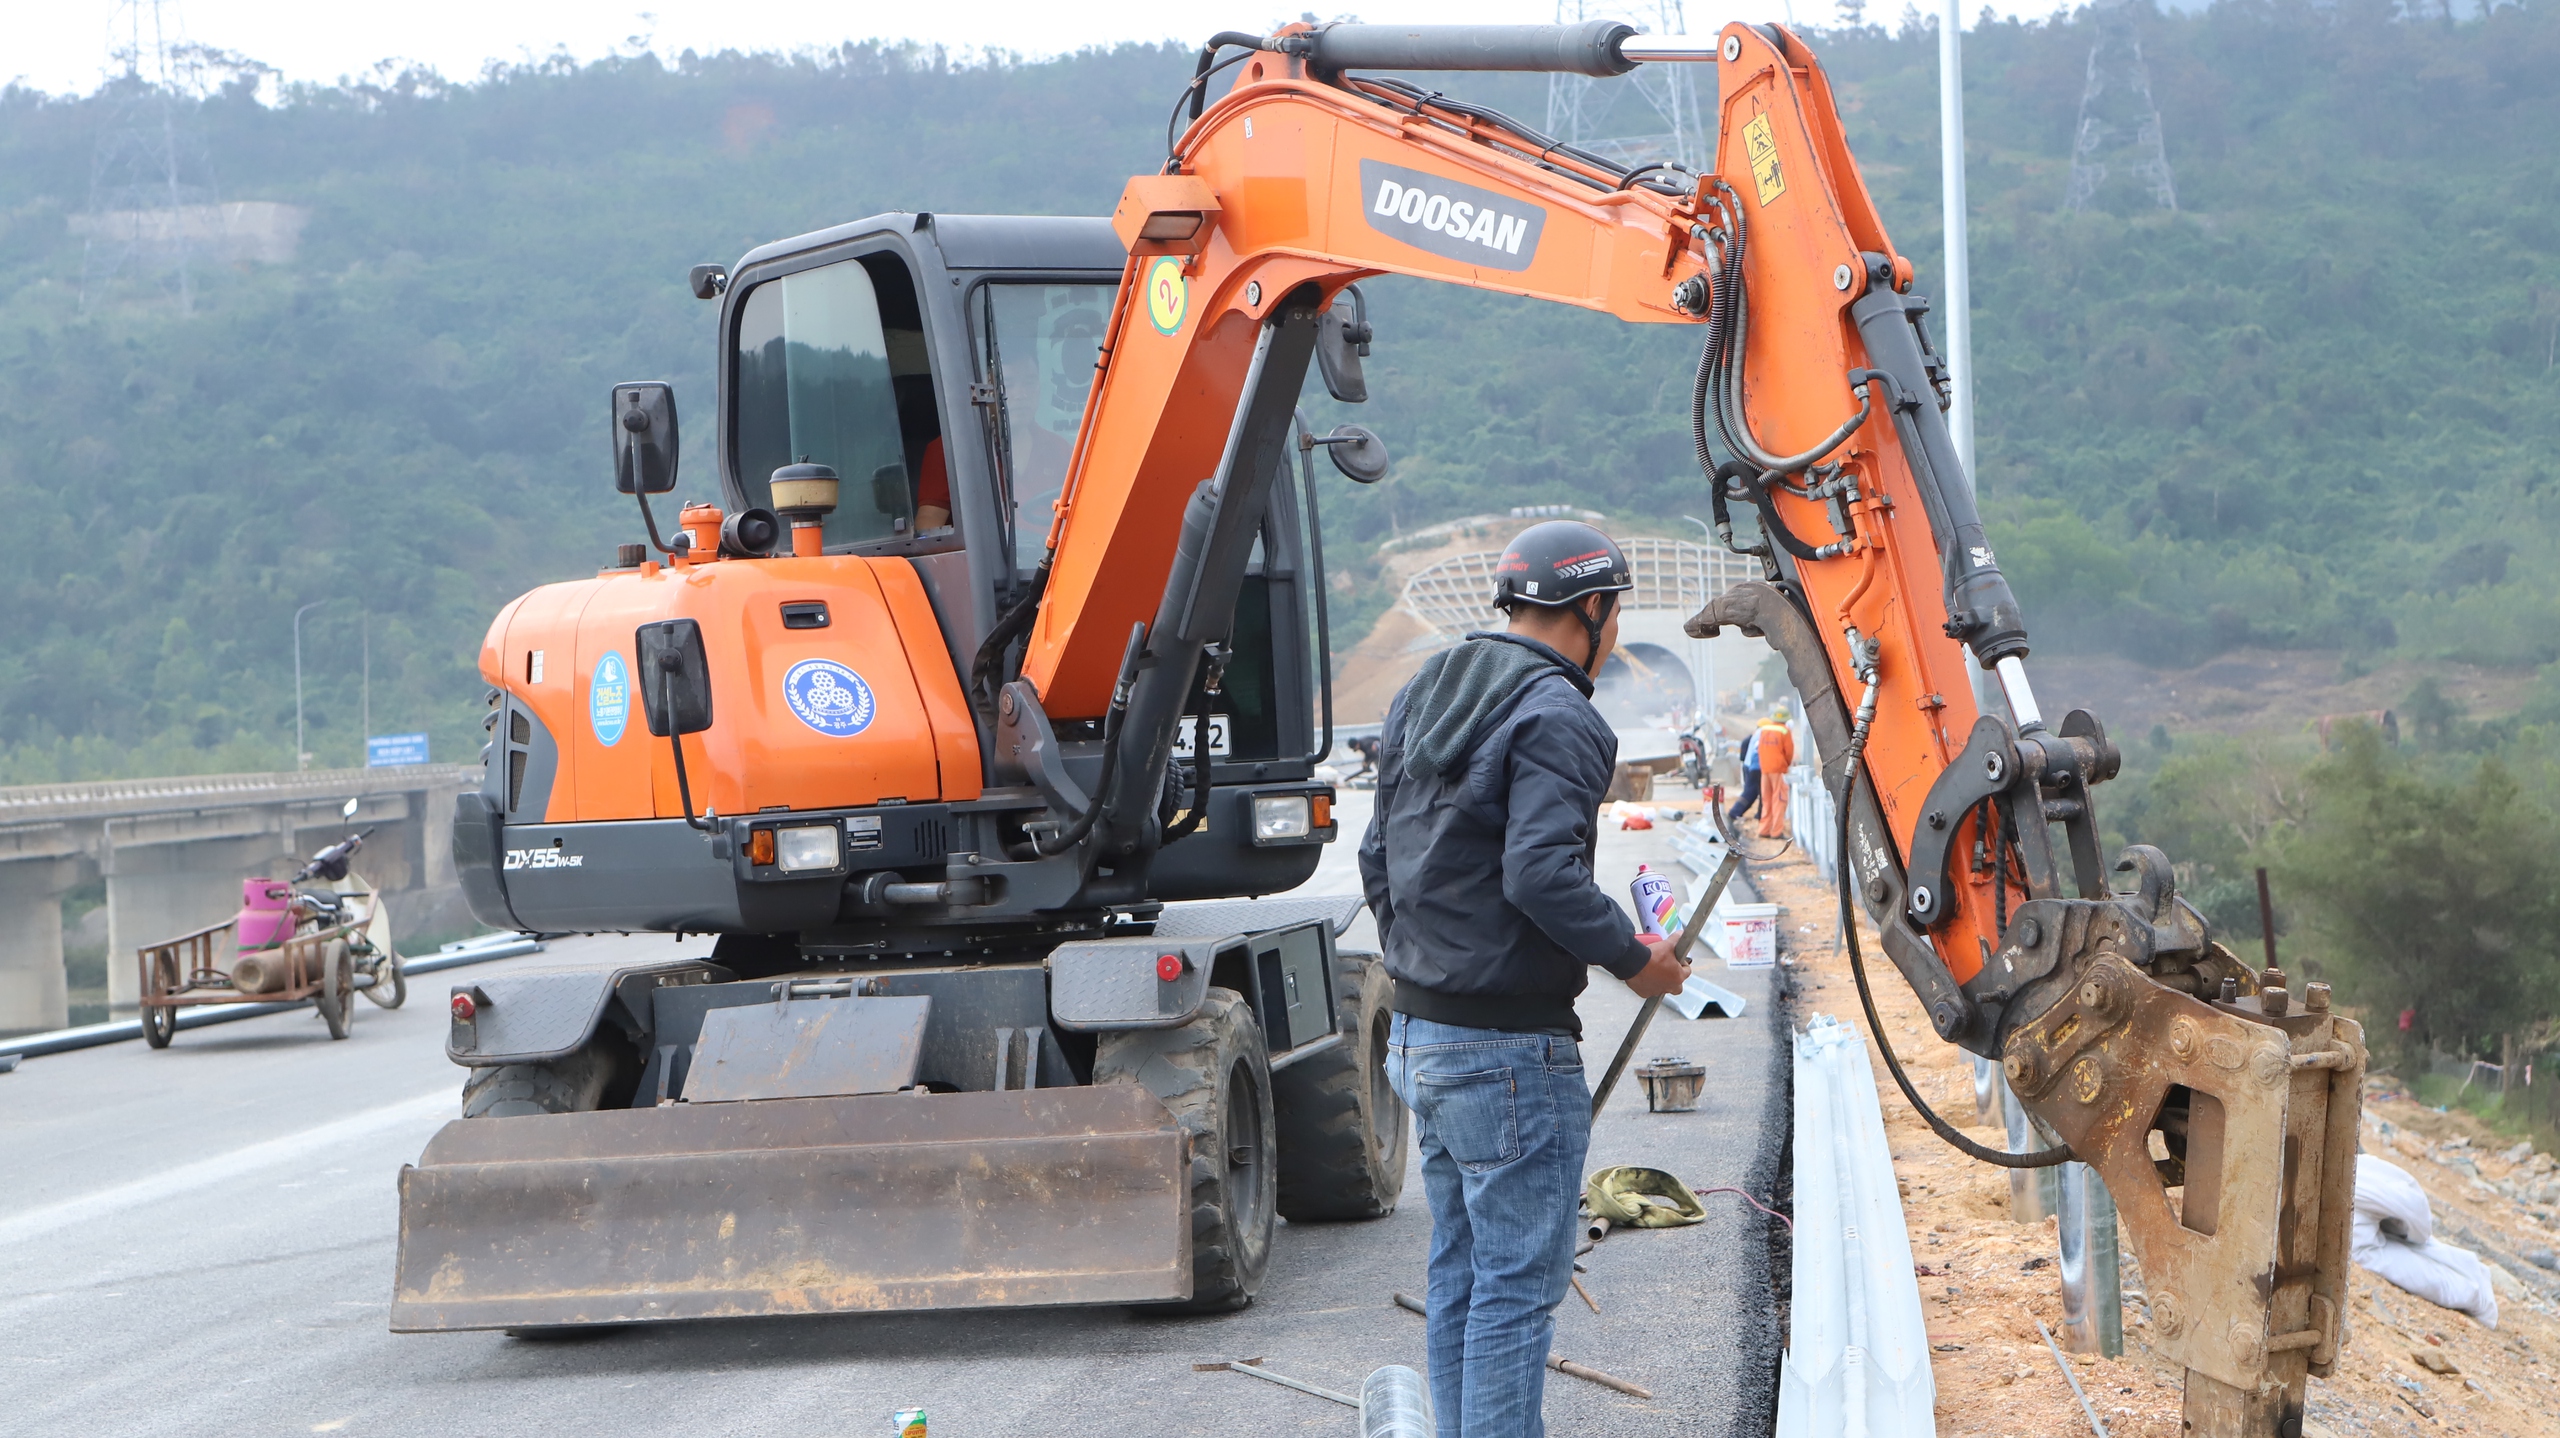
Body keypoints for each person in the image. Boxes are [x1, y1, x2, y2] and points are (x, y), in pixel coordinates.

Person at [1359, 520, 1694, 1438]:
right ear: (1594, 608)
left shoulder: (1429, 689)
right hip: (1506, 1052)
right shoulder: (1558, 712)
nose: (1614, 631)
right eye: (1614, 614)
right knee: (1514, 1289)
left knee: (1462, 1274)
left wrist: (1427, 966)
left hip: (1421, 1034)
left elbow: (1378, 855)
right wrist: (1636, 958)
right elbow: (1540, 874)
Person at [1754, 705, 1796, 839]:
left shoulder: (1764, 730)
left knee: (1766, 800)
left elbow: (1760, 749)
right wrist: (1786, 765)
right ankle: (1776, 831)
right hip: (1778, 769)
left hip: (1765, 769)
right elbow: (1789, 752)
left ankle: (1764, 829)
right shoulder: (1784, 731)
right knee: (1779, 800)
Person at [1724, 721, 1762, 834]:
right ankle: (1735, 812)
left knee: (1755, 792)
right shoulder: (1762, 735)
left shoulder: (1753, 736)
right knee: (1750, 792)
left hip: (1749, 765)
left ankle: (1759, 814)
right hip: (1755, 767)